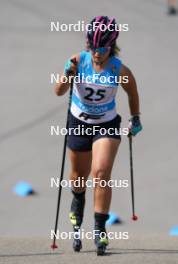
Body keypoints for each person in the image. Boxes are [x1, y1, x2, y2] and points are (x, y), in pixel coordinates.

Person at [55, 16, 142, 255]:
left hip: (106, 124)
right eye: (93, 48)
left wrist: (135, 118)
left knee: (101, 173)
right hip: (79, 123)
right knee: (78, 178)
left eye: (101, 49)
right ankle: (77, 199)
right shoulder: (77, 60)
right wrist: (67, 74)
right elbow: (59, 91)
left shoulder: (118, 69)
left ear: (111, 46)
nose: (96, 53)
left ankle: (99, 230)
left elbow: (132, 91)